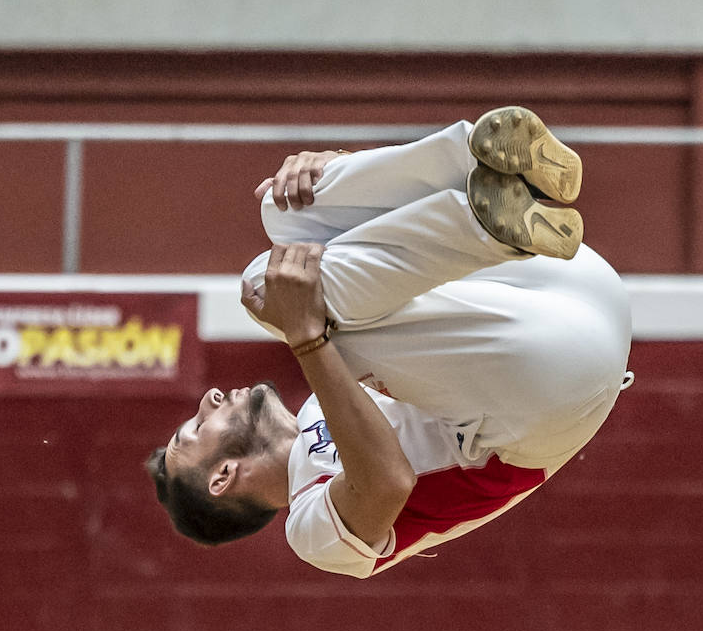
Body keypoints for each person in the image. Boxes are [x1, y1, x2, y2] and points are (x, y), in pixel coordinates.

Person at [148, 107, 633, 579]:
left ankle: (486, 169)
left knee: (284, 211)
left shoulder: (326, 395)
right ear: (222, 477)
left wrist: (338, 174)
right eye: (191, 432)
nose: (208, 400)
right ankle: (474, 215)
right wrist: (304, 337)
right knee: (264, 286)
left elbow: (395, 291)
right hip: (546, 395)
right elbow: (386, 482)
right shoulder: (311, 531)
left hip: (564, 284)